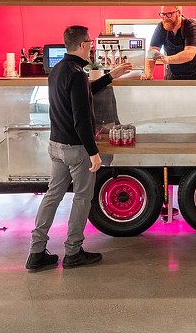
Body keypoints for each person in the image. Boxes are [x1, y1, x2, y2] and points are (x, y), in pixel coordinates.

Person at [26, 25, 132, 272]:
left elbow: (84, 94)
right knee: (83, 198)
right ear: (84, 44)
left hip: (56, 146)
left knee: (52, 196)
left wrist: (110, 75)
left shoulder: (59, 70)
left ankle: (36, 252)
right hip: (76, 149)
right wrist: (93, 152)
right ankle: (73, 252)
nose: (92, 47)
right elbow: (81, 118)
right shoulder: (76, 73)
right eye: (90, 43)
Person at [142, 5, 196, 80]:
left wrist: (167, 59)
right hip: (174, 73)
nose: (165, 18)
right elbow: (152, 51)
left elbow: (189, 54)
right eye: (163, 14)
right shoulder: (161, 27)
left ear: (179, 13)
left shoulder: (191, 27)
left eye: (169, 14)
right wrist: (148, 75)